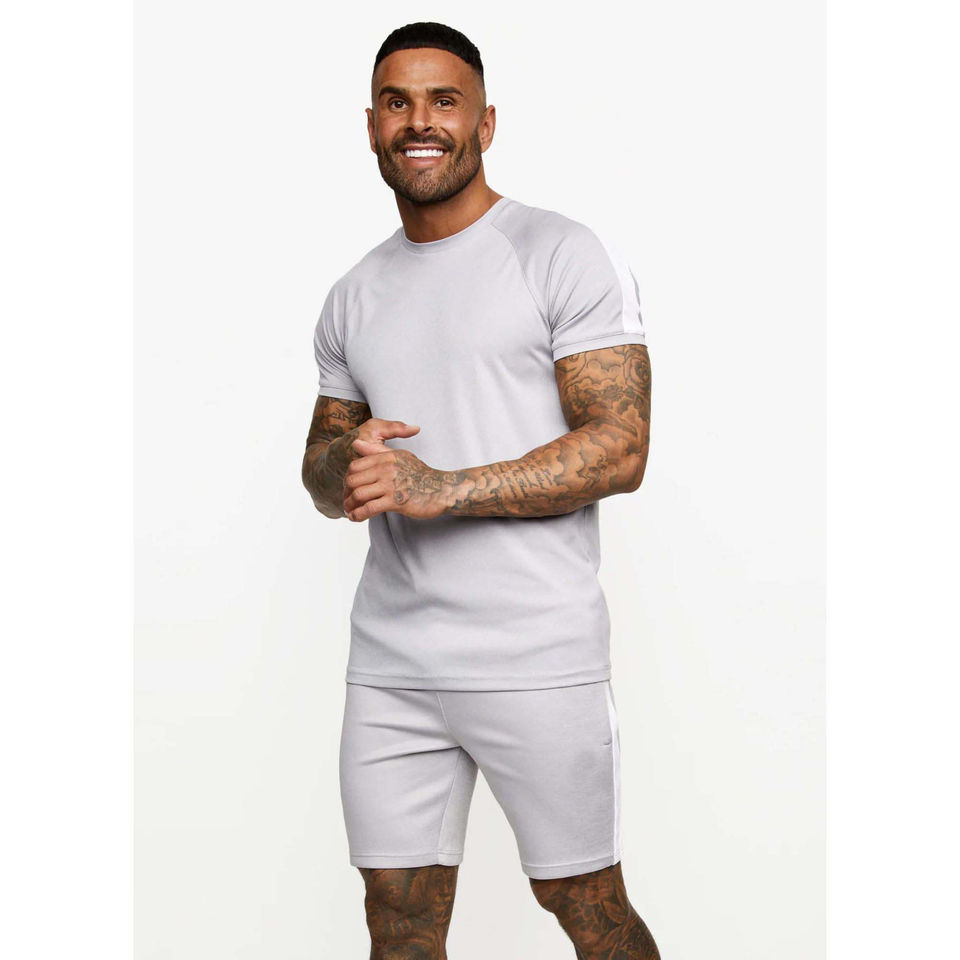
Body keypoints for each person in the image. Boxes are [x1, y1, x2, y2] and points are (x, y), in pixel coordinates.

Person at [301, 21, 659, 959]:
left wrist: (443, 486)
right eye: (397, 103)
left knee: (588, 908)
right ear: (372, 127)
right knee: (397, 923)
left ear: (485, 123)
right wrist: (346, 464)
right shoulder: (353, 294)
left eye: (444, 101)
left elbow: (621, 447)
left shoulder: (561, 253)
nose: (420, 122)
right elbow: (322, 467)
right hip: (392, 663)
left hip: (535, 654)